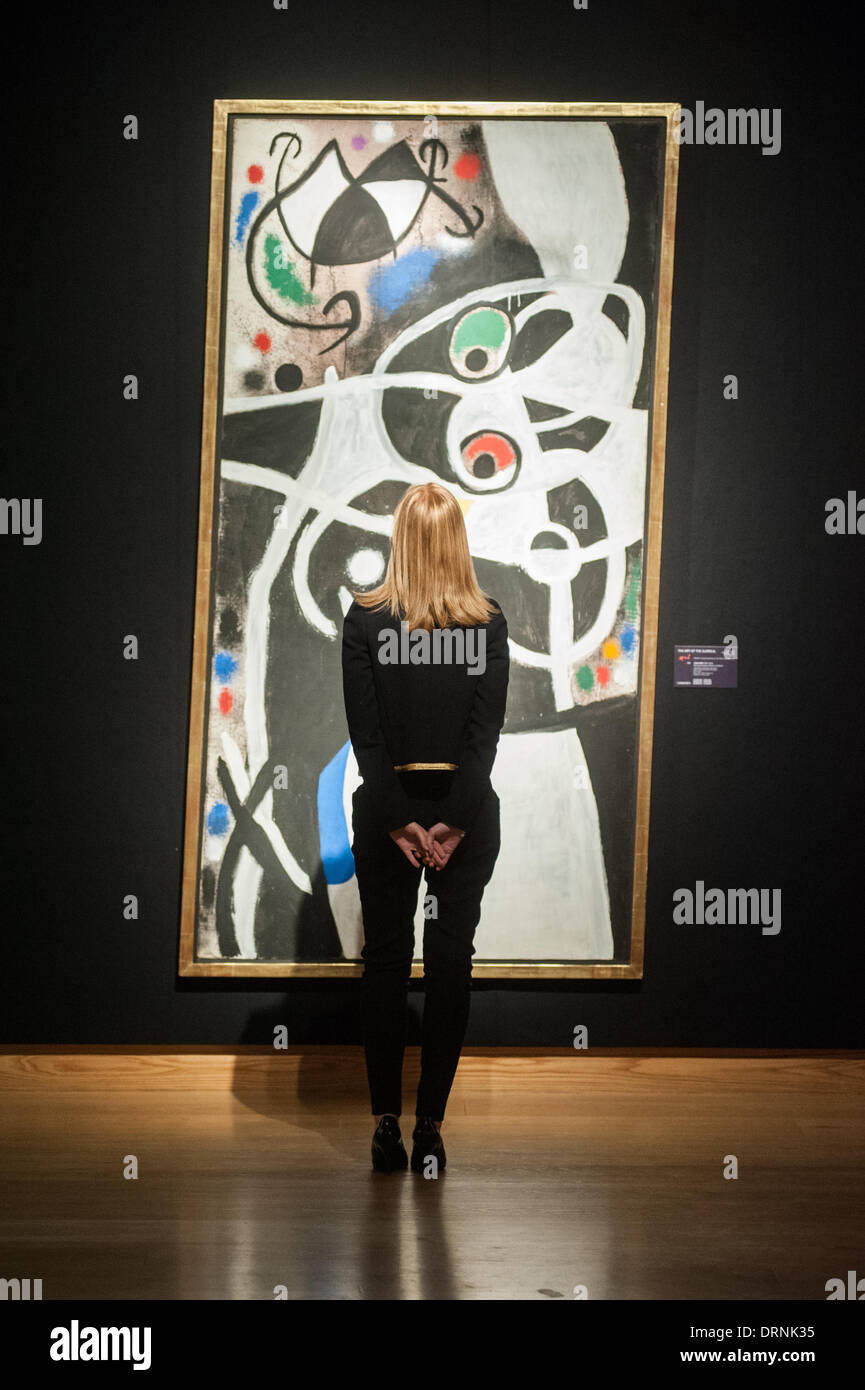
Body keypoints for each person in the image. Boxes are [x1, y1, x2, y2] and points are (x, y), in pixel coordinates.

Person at [341, 481, 509, 1174]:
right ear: (457, 540)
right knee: (450, 967)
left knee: (384, 963)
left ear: (400, 538)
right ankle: (430, 1129)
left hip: (389, 817)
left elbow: (368, 741)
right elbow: (482, 741)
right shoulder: (487, 621)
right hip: (462, 819)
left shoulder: (364, 620)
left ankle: (386, 1123)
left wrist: (402, 823)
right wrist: (450, 826)